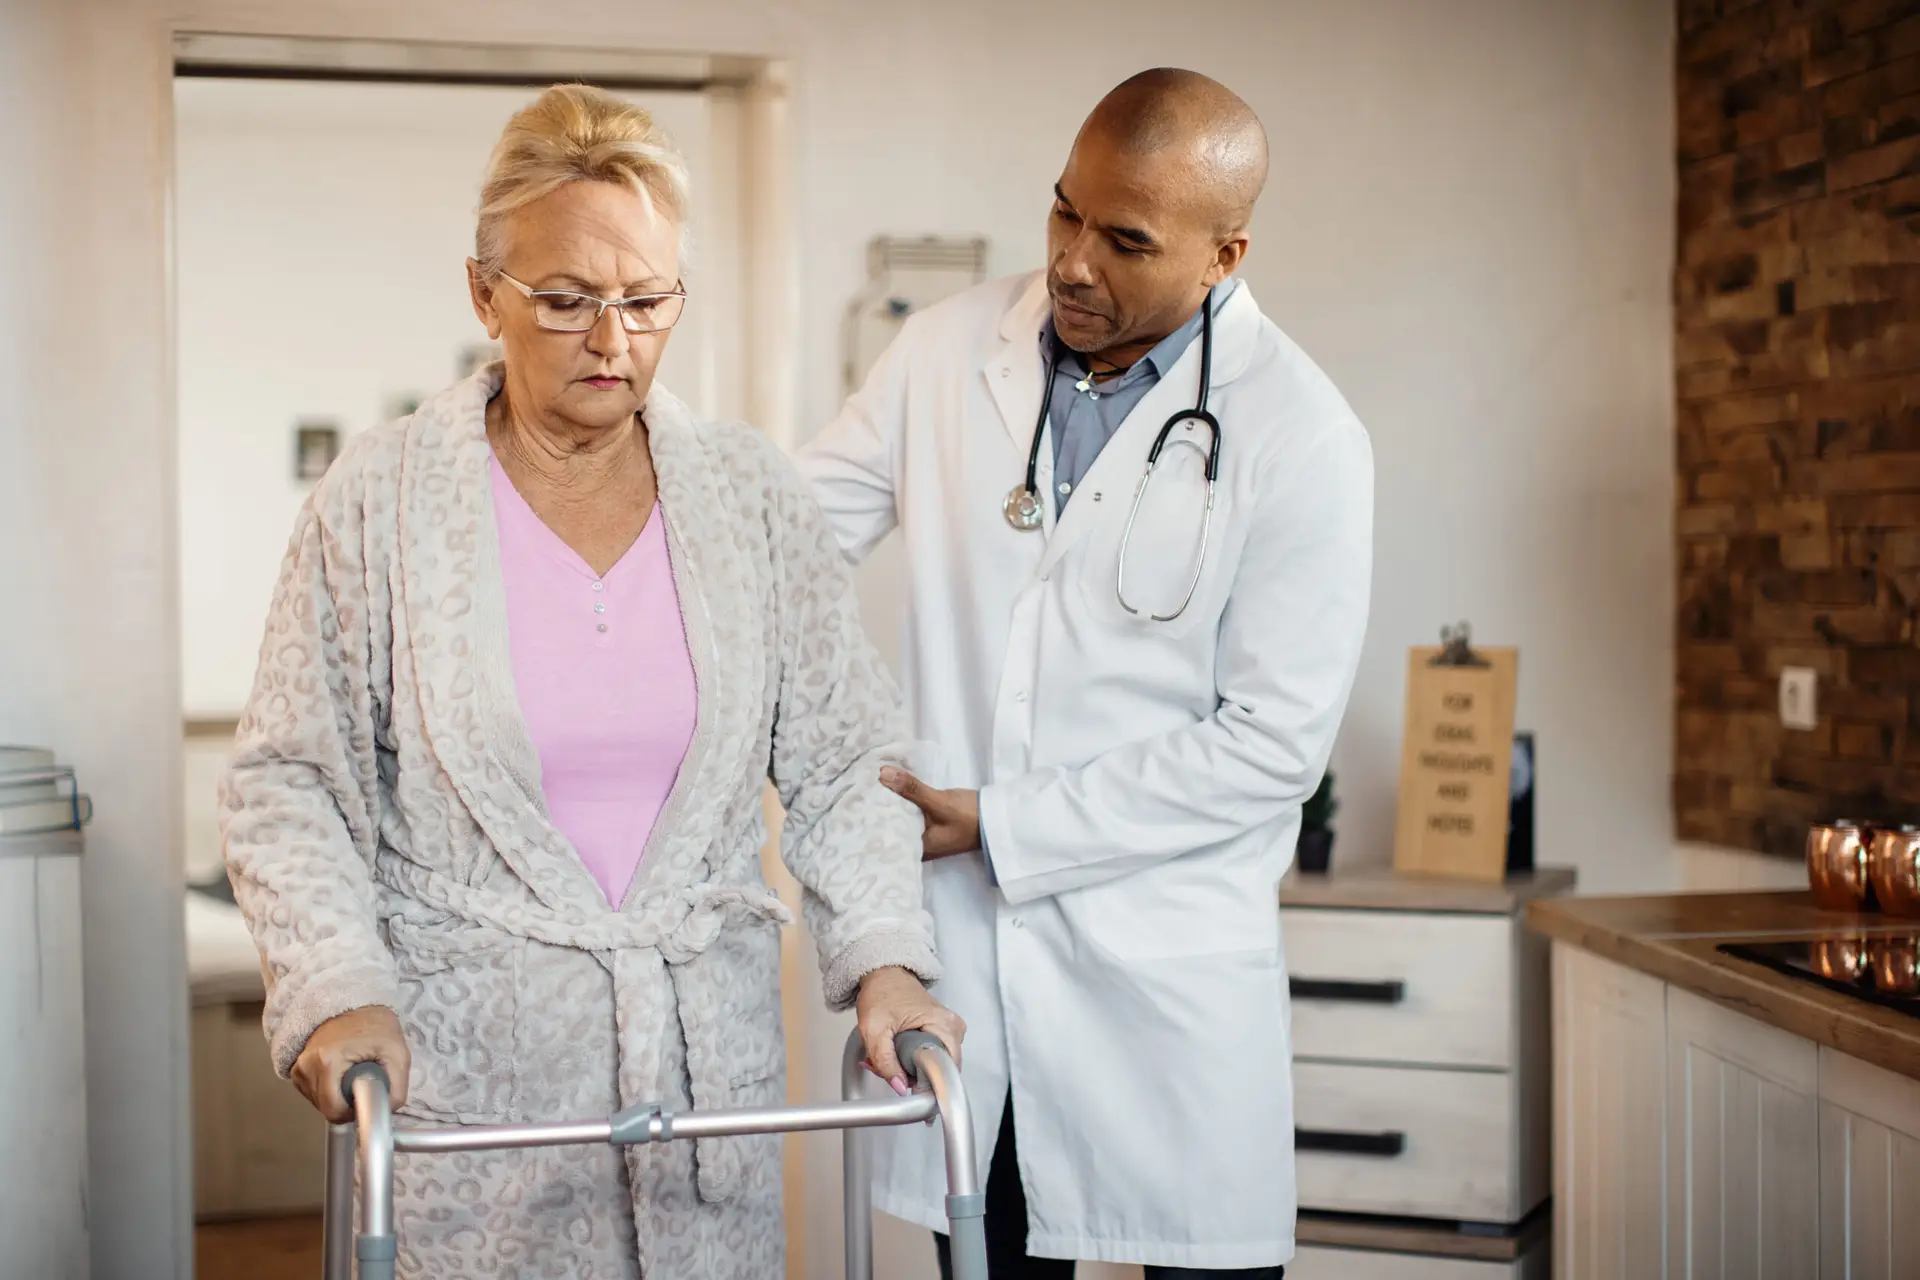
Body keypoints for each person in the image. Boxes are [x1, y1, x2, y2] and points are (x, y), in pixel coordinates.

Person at [220, 84, 963, 1280]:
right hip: (476, 1096)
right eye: (566, 302)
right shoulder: (380, 500)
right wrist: (335, 989)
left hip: (701, 1086)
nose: (612, 342)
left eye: (646, 300)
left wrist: (886, 960)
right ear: (483, 293)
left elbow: (842, 763)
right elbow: (290, 781)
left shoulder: (750, 497)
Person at [797, 68, 1373, 1278]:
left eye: (1125, 241)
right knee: (994, 1251)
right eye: (1065, 213)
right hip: (977, 991)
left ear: (1225, 255)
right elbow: (776, 539)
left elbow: (1271, 744)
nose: (1071, 262)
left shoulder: (1301, 433)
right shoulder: (947, 351)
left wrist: (1004, 822)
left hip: (1166, 992)